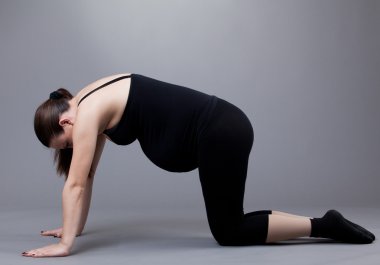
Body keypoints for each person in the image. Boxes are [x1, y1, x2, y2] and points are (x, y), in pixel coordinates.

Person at [23, 73, 375, 257]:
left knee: (228, 231)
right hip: (222, 126)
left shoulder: (86, 115)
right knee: (232, 223)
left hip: (220, 132)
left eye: (65, 145)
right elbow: (87, 174)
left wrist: (65, 245)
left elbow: (76, 183)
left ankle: (323, 225)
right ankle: (324, 223)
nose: (71, 149)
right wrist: (74, 228)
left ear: (65, 124)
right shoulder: (87, 100)